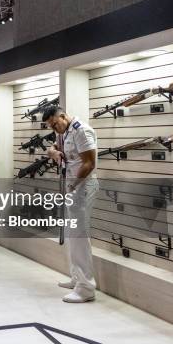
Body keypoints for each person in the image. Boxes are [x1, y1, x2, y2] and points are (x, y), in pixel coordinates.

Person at [43, 106, 99, 303]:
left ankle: (86, 288)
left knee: (79, 236)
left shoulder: (81, 130)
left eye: (55, 124)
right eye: (51, 127)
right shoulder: (64, 132)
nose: (54, 129)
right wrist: (53, 153)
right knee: (71, 234)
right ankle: (77, 279)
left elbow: (89, 163)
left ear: (63, 116)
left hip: (82, 187)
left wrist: (74, 185)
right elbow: (54, 148)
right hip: (73, 187)